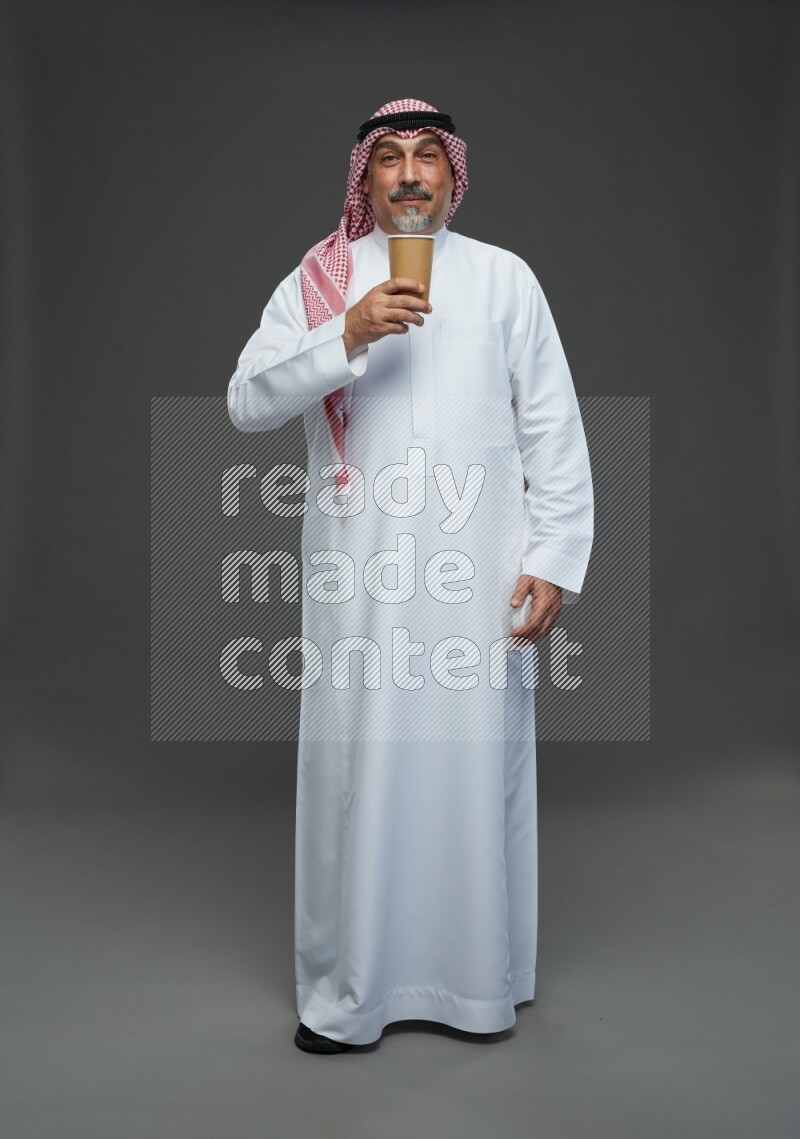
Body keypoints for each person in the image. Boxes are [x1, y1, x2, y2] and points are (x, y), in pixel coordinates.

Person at [227, 98, 594, 1054]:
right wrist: (344, 334)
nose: (410, 174)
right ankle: (348, 995)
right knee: (356, 765)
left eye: (428, 155)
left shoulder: (505, 279)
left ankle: (479, 983)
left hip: (479, 576)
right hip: (360, 577)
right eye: (389, 158)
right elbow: (246, 401)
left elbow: (551, 425)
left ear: (453, 172)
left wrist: (553, 558)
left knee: (476, 766)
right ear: (366, 177)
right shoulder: (321, 281)